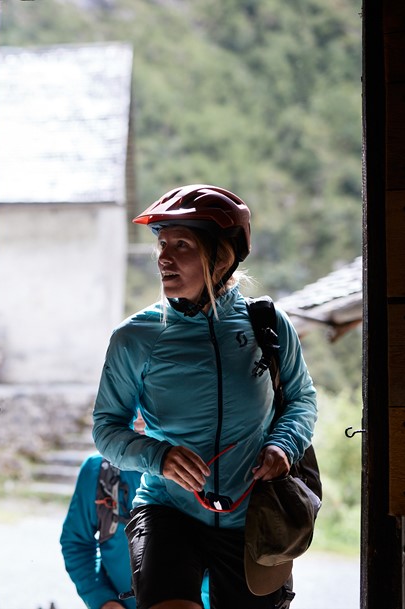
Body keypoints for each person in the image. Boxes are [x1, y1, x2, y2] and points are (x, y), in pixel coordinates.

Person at [92, 184, 317, 609]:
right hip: (167, 509)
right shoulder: (135, 337)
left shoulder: (266, 324)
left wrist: (282, 445)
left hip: (253, 518)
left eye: (182, 245)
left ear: (223, 255)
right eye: (161, 244)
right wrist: (159, 457)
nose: (164, 257)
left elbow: (302, 399)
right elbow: (106, 430)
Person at [60, 449, 211, 609]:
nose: (142, 422)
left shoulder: (202, 466)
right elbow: (77, 544)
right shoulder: (99, 471)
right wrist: (103, 600)